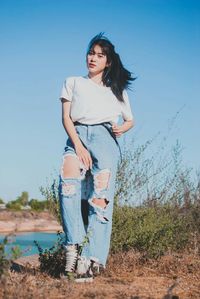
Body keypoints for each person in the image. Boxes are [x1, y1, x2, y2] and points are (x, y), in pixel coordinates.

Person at [58, 33, 135, 282]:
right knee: (68, 188)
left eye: (100, 55)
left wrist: (123, 128)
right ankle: (74, 247)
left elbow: (130, 119)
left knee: (99, 200)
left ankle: (90, 261)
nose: (93, 58)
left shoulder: (117, 90)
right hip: (77, 136)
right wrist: (78, 146)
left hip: (105, 140)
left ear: (108, 62)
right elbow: (66, 118)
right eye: (91, 53)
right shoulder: (73, 82)